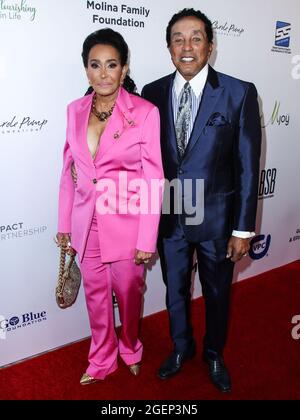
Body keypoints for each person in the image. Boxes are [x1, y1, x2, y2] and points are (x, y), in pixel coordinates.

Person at [142, 8, 261, 392]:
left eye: (196, 38)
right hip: (171, 216)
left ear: (210, 45)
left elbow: (247, 164)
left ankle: (213, 354)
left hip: (217, 221)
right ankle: (181, 348)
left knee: (216, 293)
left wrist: (243, 229)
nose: (187, 46)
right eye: (178, 38)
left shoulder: (239, 91)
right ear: (168, 47)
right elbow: (145, 159)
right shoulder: (152, 92)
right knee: (174, 289)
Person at [56, 28, 163, 385]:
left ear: (124, 68)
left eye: (111, 65)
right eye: (95, 65)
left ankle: (130, 346)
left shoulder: (145, 113)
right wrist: (65, 225)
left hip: (128, 225)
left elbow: (153, 178)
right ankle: (101, 356)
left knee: (129, 295)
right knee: (95, 297)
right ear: (86, 70)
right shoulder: (74, 111)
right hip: (87, 225)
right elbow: (68, 172)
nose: (103, 73)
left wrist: (147, 239)